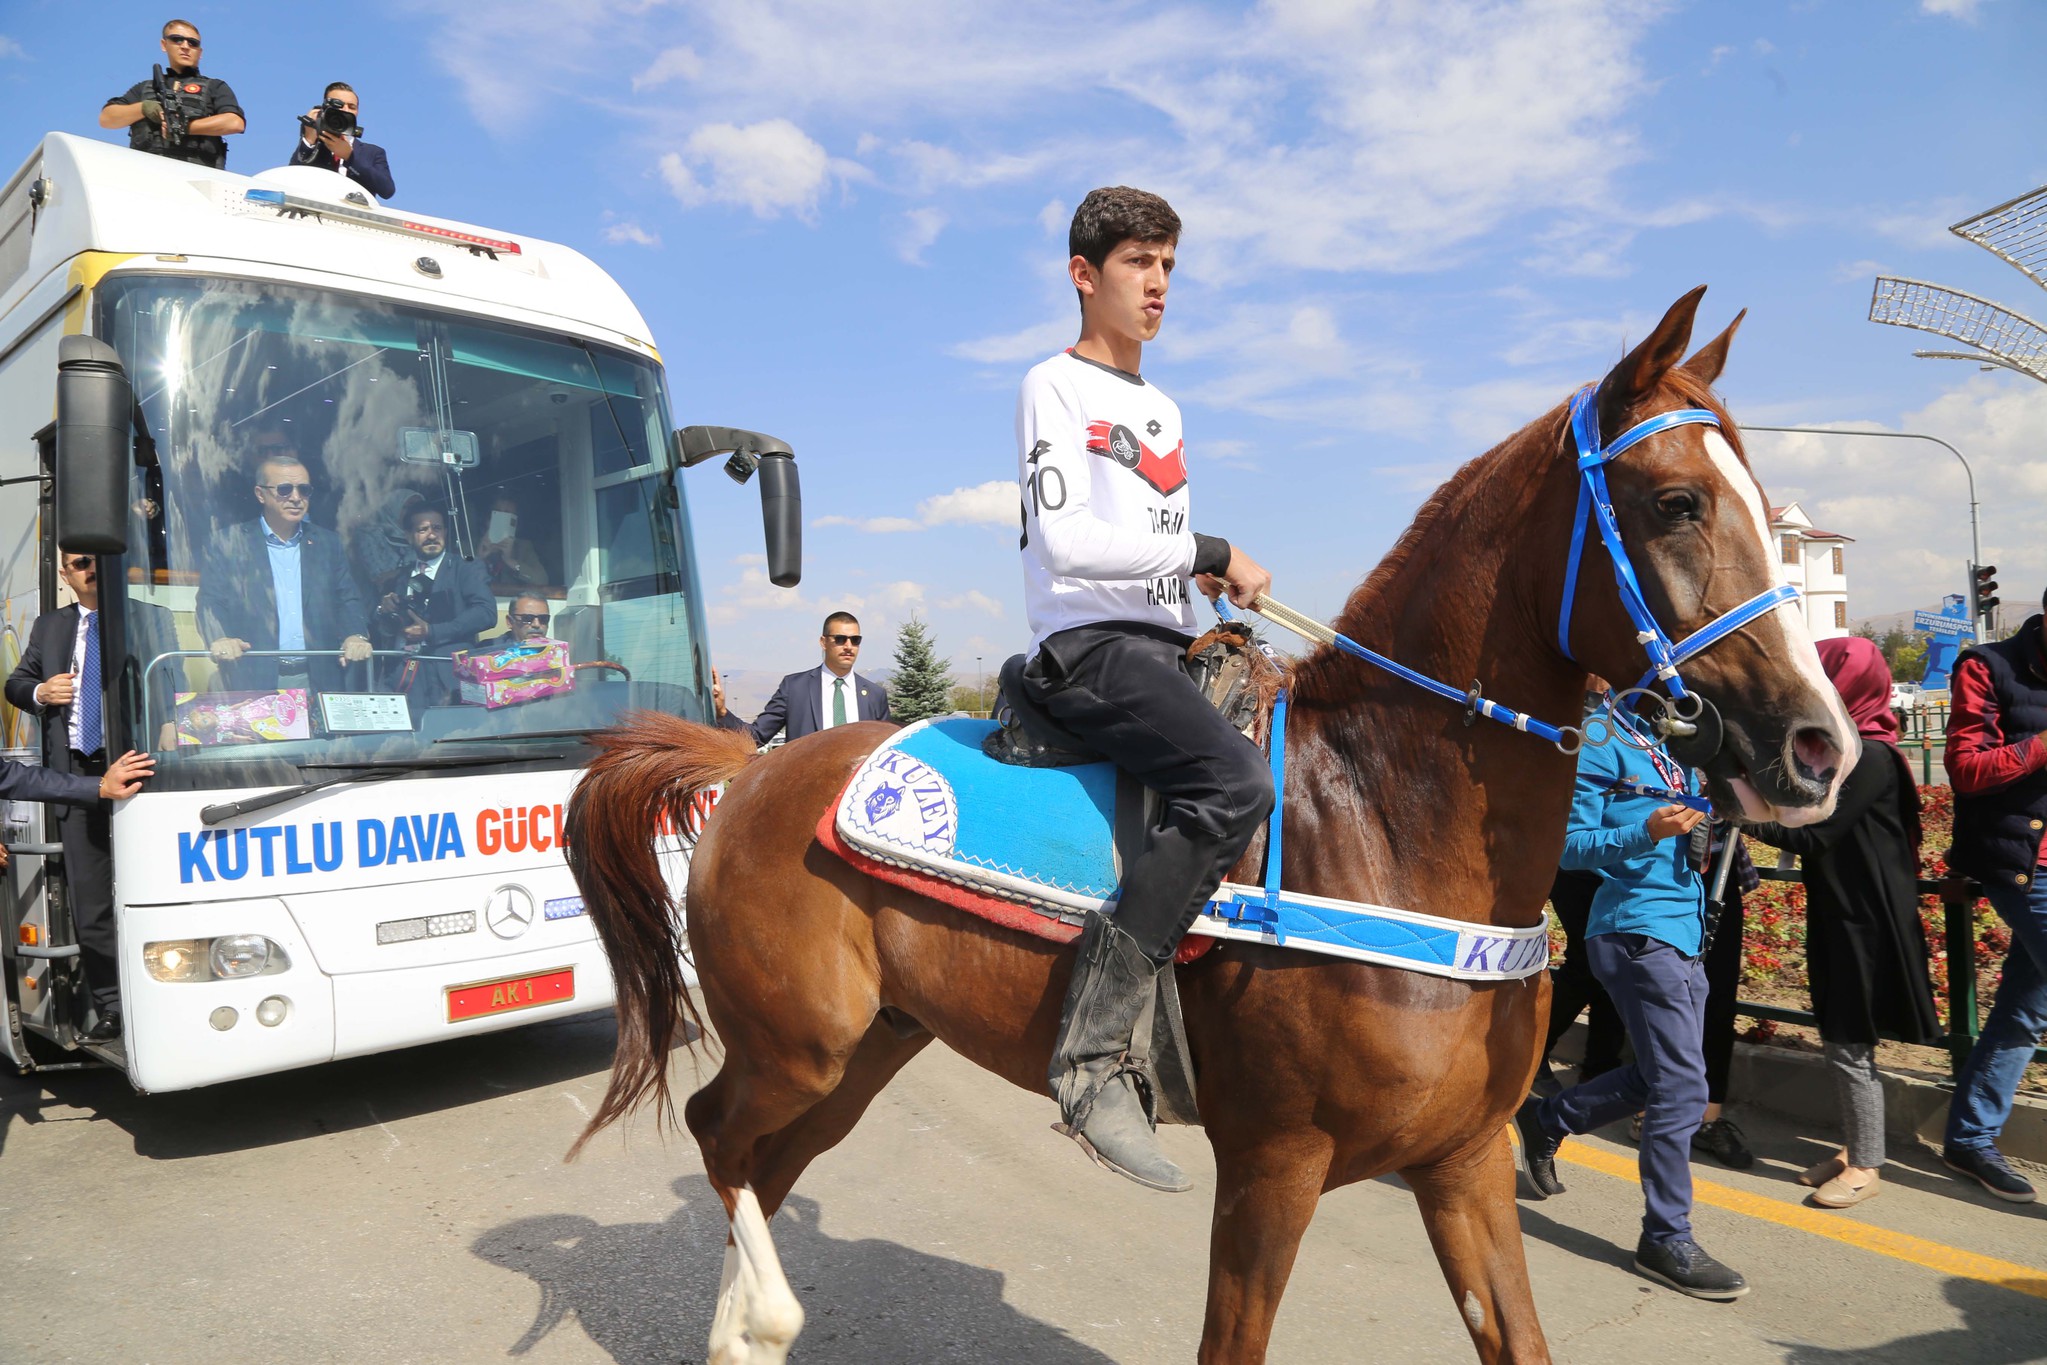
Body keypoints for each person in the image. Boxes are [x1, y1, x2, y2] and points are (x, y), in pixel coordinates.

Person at [1016, 187, 1274, 1194]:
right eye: (1137, 263)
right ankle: (1087, 1059)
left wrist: (1196, 581)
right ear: (1085, 275)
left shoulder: (1163, 409)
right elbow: (1071, 541)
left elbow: (1146, 547)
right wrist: (1209, 545)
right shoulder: (1055, 385)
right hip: (1088, 650)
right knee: (1236, 784)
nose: (1159, 282)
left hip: (1164, 644)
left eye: (1167, 262)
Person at [1515, 692, 1748, 1300]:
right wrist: (1645, 828)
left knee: (1658, 1077)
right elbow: (1568, 845)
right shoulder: (1597, 735)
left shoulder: (1672, 733)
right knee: (1683, 1088)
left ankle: (1547, 1119)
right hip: (1636, 930)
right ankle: (1665, 1236)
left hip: (1686, 931)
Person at [1747, 637, 1941, 1209]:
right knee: (1840, 1031)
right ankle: (1857, 1144)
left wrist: (1734, 813)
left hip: (1867, 922)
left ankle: (1866, 1163)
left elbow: (1814, 836)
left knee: (1850, 1038)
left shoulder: (1870, 757)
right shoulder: (1847, 750)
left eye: (1823, 679)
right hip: (1845, 912)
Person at [4, 549, 160, 1041]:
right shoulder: (50, 627)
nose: (89, 569)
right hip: (75, 776)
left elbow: (170, 685)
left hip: (139, 773)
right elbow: (16, 683)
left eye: (96, 559)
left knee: (150, 891)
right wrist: (39, 693)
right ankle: (111, 1006)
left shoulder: (147, 617)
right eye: (78, 563)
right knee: (90, 901)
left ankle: (156, 996)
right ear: (66, 575)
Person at [1938, 585, 2047, 1205]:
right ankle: (1971, 1137)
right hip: (2025, 866)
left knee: (2027, 1008)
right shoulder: (1988, 664)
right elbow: (1966, 769)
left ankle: (1970, 1138)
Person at [195, 443, 373, 697]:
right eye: (284, 489)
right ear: (260, 494)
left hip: (320, 677)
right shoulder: (228, 543)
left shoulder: (328, 543)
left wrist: (355, 635)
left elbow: (348, 598)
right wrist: (220, 637)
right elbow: (210, 600)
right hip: (253, 677)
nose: (296, 497)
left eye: (304, 489)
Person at [369, 503, 496, 708]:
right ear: (409, 536)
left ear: (445, 532)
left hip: (449, 677)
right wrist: (382, 610)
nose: (431, 535)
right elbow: (380, 626)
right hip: (404, 677)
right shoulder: (399, 577)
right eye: (422, 529)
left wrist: (431, 631)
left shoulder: (464, 569)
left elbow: (487, 613)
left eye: (437, 528)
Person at [99, 20, 244, 170]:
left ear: (200, 52)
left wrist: (185, 127)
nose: (185, 46)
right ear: (164, 44)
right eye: (177, 39)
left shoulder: (214, 87)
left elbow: (234, 122)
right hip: (145, 172)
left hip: (196, 173)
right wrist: (144, 108)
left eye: (193, 43)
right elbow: (107, 119)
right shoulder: (144, 88)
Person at [740, 613, 890, 745]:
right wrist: (720, 711)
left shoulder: (875, 695)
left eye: (855, 640)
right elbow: (757, 736)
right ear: (823, 642)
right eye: (840, 639)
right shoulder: (794, 688)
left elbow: (886, 749)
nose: (848, 646)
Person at [286, 82, 395, 201]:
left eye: (352, 107)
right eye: (339, 105)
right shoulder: (315, 146)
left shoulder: (373, 152)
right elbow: (292, 177)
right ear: (323, 108)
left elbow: (387, 190)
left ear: (357, 112)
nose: (345, 110)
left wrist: (350, 157)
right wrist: (309, 139)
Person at [476, 494, 548, 589]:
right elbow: (455, 580)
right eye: (496, 514)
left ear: (515, 524)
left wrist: (510, 561)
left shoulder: (523, 547)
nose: (501, 522)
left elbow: (542, 581)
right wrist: (478, 558)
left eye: (507, 517)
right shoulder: (469, 545)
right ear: (487, 519)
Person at [479, 593, 551, 650]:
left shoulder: (557, 652)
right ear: (510, 622)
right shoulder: (488, 651)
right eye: (527, 618)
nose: (536, 624)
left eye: (543, 618)